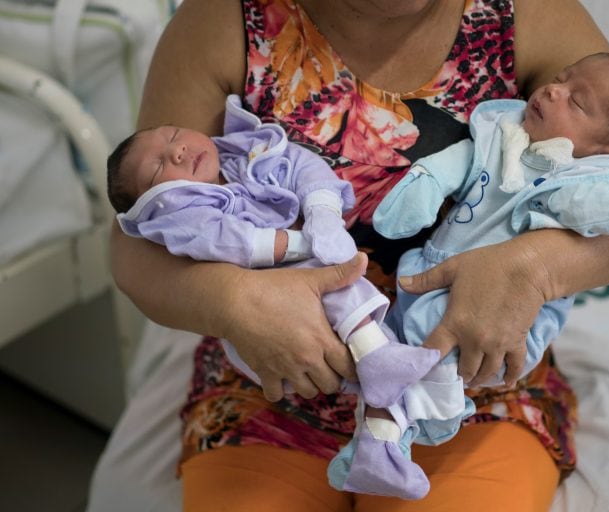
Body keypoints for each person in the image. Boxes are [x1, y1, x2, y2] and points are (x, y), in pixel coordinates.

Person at [111, 0, 609, 510]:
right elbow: (133, 240)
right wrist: (232, 300)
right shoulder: (225, 21)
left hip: (469, 388)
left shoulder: (524, 15)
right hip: (273, 386)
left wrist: (538, 268)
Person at [342, 52, 609, 497]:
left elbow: (594, 208)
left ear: (608, 152)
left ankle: (400, 433)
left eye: (577, 102)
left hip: (498, 326)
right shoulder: (500, 133)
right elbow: (461, 163)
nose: (552, 89)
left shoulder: (587, 179)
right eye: (561, 77)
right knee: (380, 342)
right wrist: (427, 183)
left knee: (427, 363)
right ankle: (375, 430)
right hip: (427, 274)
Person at [107, 94, 444, 498]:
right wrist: (307, 242)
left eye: (174, 135)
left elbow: (304, 166)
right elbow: (237, 243)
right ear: (151, 204)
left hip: (333, 285)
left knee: (371, 355)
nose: (177, 150)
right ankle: (380, 364)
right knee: (341, 292)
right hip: (274, 320)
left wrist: (323, 212)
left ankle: (378, 449)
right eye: (159, 166)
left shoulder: (249, 154)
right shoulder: (183, 217)